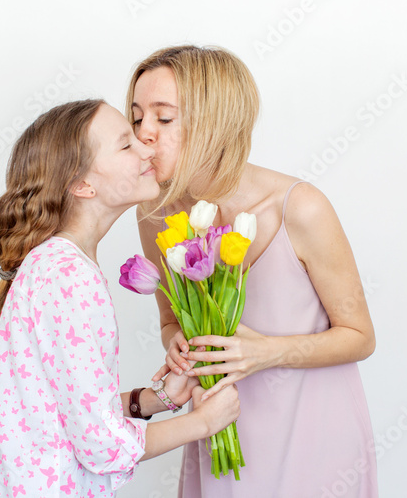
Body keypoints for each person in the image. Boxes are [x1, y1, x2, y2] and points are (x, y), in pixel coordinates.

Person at [0, 99, 240, 498]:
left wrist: (158, 398)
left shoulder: (53, 266)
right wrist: (204, 422)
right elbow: (101, 446)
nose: (147, 148)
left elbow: (67, 413)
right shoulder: (69, 277)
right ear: (82, 185)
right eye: (126, 145)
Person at [127, 45, 378, 497]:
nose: (144, 133)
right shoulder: (154, 211)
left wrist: (268, 353)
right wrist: (177, 344)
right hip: (218, 432)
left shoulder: (300, 207)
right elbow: (169, 321)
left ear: (215, 123)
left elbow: (360, 336)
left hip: (315, 440)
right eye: (136, 116)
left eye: (164, 119)